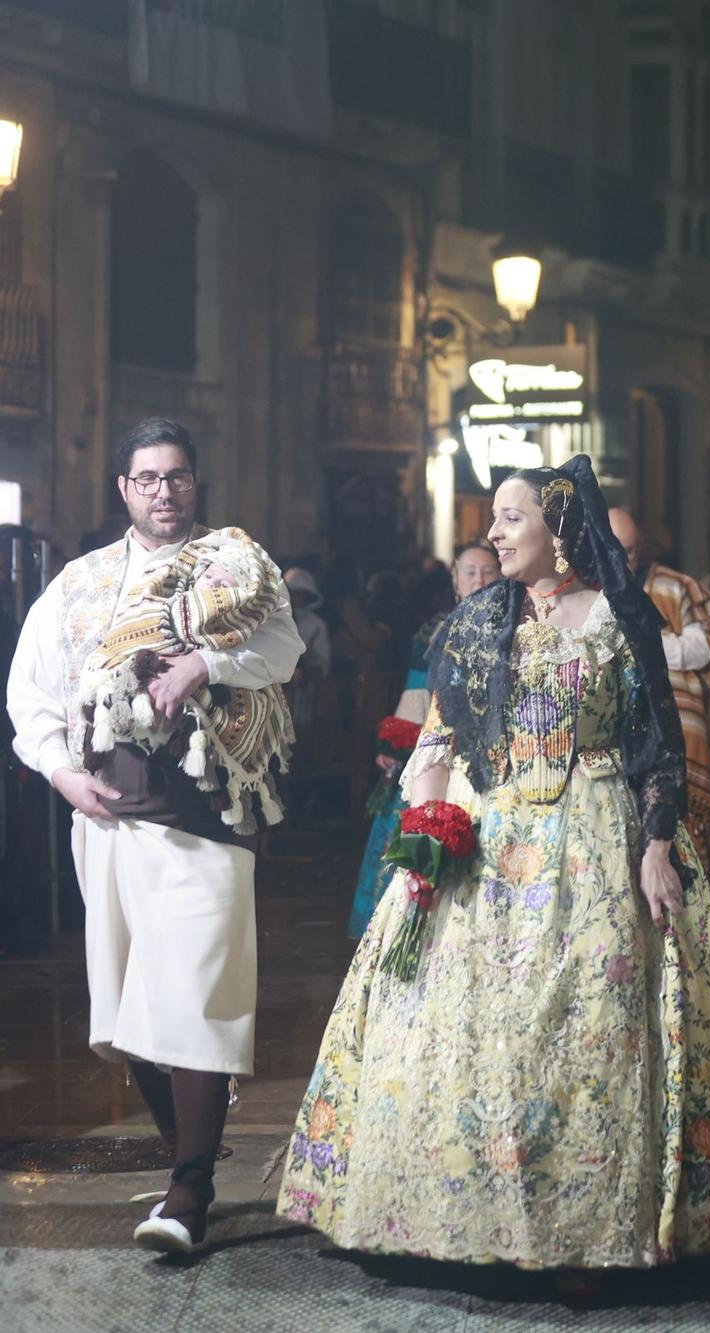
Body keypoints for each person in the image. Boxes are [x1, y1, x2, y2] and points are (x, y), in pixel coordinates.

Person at [278, 456, 710, 1270]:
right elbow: (440, 735)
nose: (494, 534)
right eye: (495, 520)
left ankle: (591, 1223)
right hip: (490, 848)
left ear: (560, 528)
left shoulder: (620, 618)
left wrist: (656, 847)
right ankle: (461, 1216)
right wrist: (425, 837)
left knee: (590, 1030)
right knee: (478, 1032)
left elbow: (655, 744)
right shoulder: (476, 623)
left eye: (511, 518)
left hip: (598, 837)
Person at [7, 416, 304, 1255]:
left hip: (209, 816)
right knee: (134, 1011)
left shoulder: (234, 565)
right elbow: (29, 694)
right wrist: (63, 773)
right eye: (147, 478)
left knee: (195, 998)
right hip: (107, 816)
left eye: (176, 476)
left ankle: (190, 1190)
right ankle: (191, 1163)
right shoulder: (80, 582)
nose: (163, 491)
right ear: (123, 490)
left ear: (195, 484)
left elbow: (283, 645)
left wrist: (206, 663)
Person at [346, 542, 499, 937]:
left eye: (488, 571)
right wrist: (398, 743)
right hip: (438, 746)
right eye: (470, 572)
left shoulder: (514, 625)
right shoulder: (434, 631)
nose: (479, 580)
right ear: (454, 578)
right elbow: (417, 693)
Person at [608, 508, 710, 852]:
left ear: (641, 547)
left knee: (681, 838)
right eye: (612, 549)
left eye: (628, 551)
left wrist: (641, 641)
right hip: (610, 737)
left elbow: (704, 646)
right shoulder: (582, 592)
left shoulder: (674, 586)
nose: (620, 559)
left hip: (672, 723)